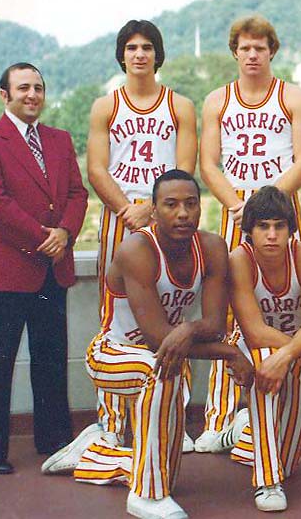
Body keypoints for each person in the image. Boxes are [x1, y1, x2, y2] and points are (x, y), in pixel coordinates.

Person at [42, 170, 253, 519]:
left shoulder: (212, 247)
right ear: (153, 210)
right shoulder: (137, 249)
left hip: (164, 359)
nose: (182, 213)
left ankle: (96, 453)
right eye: (171, 205)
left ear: (201, 209)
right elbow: (159, 339)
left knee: (165, 469)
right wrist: (227, 352)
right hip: (112, 354)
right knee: (155, 369)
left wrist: (188, 331)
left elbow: (214, 325)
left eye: (191, 204)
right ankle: (146, 495)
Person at [198, 14, 301, 452]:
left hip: (280, 207)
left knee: (295, 304)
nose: (252, 55)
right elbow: (209, 163)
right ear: (235, 52)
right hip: (236, 207)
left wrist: (264, 201)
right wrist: (236, 204)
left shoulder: (292, 97)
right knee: (230, 311)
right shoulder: (217, 100)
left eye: (259, 48)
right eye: (244, 48)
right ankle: (222, 416)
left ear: (272, 51)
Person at [0, 63, 88, 474]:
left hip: (53, 267)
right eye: (23, 88)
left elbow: (77, 193)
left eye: (38, 87)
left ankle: (54, 440)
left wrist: (66, 233)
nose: (32, 94)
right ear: (5, 95)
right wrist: (45, 236)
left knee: (51, 358)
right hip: (7, 266)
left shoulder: (60, 140)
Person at [86, 19, 198, 450]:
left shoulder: (179, 105)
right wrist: (127, 210)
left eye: (147, 47)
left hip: (169, 217)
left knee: (175, 311)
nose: (139, 54)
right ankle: (113, 422)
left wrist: (151, 209)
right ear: (122, 54)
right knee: (115, 318)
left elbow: (183, 171)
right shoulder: (106, 106)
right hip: (120, 218)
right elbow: (97, 167)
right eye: (131, 47)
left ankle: (175, 415)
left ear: (158, 54)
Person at [224, 186, 301, 511]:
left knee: (290, 463)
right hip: (258, 350)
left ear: (290, 229)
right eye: (263, 227)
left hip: (296, 349)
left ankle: (245, 435)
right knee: (264, 359)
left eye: (279, 226)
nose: (271, 235)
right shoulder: (239, 259)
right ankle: (267, 483)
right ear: (249, 230)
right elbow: (254, 332)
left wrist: (291, 353)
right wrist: (297, 352)